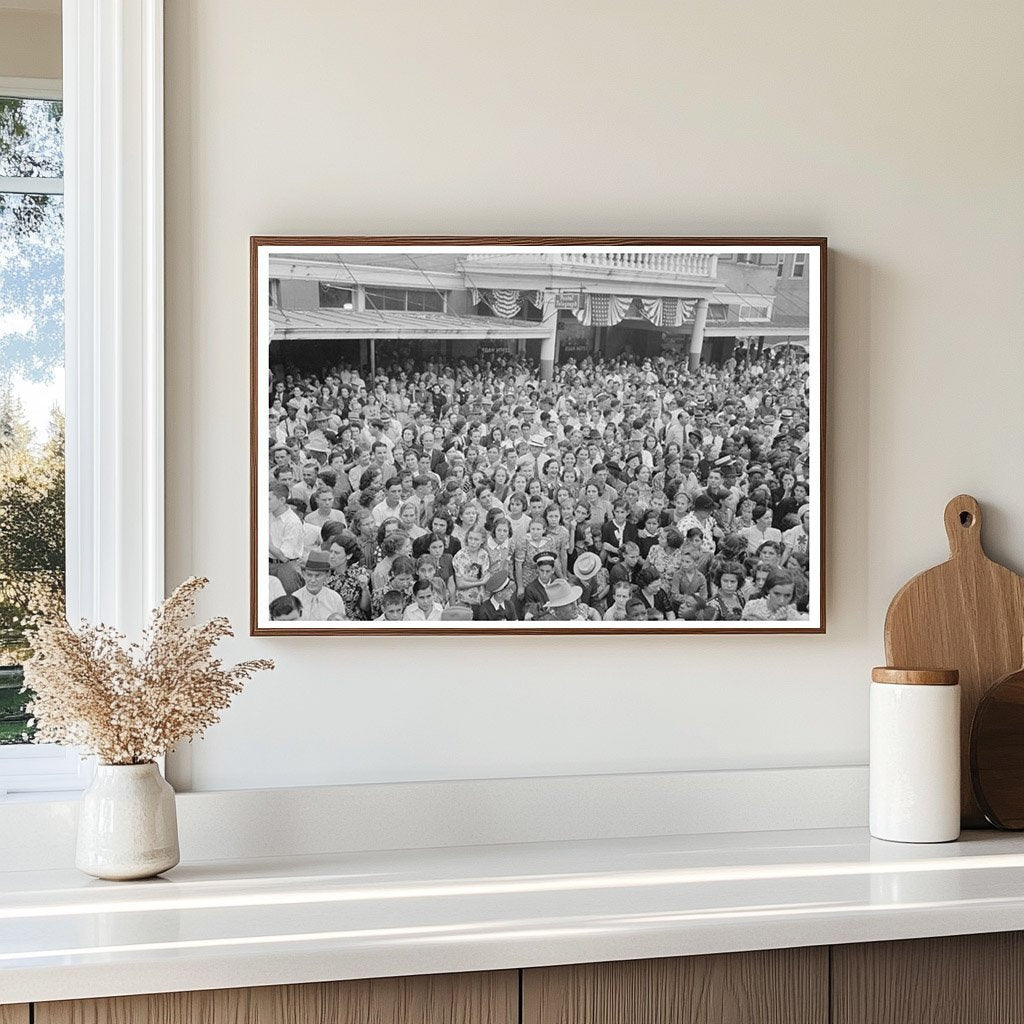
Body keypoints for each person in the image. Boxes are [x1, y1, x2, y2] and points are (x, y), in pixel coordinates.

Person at [291, 550, 348, 621]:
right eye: (309, 575)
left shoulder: (335, 599)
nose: (313, 580)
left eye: (318, 575)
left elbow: (341, 628)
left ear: (327, 575)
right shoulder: (295, 599)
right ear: (303, 574)